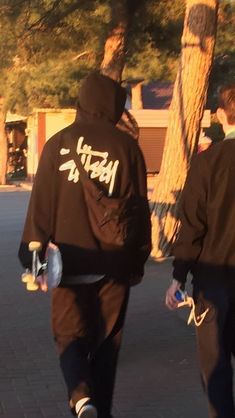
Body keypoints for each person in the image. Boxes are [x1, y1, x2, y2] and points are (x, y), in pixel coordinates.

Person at [18, 71, 152, 418]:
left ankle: (80, 397)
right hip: (115, 264)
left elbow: (41, 208)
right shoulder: (128, 149)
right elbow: (139, 210)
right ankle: (99, 409)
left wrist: (32, 257)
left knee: (68, 334)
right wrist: (138, 261)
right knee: (107, 343)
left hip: (69, 261)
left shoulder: (58, 144)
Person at [165, 82, 235, 418]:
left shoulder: (207, 164)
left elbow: (192, 226)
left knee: (215, 363)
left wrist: (177, 277)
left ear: (222, 115)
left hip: (212, 279)